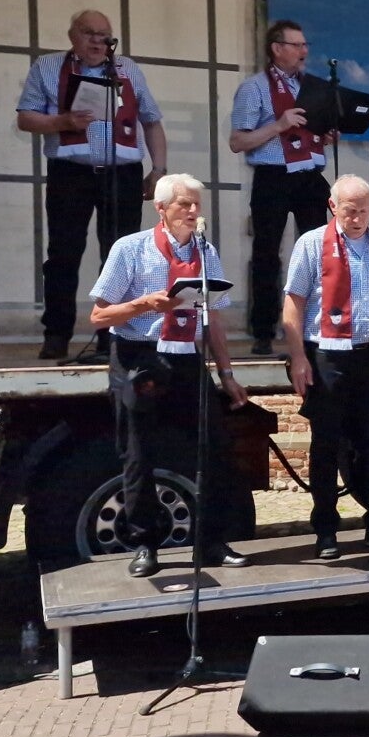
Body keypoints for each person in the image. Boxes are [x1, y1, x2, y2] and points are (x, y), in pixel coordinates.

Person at [88, 174, 247, 578]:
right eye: (184, 204)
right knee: (138, 454)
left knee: (212, 449)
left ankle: (212, 541)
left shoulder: (206, 251)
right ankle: (145, 543)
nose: (193, 211)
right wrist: (144, 304)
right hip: (139, 356)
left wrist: (227, 373)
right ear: (160, 209)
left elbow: (214, 318)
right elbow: (99, 315)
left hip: (186, 357)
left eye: (196, 204)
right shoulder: (131, 248)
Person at [17, 9, 169, 360]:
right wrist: (62, 121)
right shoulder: (47, 66)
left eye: (104, 35)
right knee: (63, 254)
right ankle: (57, 333)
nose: (98, 42)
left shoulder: (128, 69)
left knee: (120, 256)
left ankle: (112, 335)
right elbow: (26, 117)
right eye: (89, 33)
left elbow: (151, 120)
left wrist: (158, 170)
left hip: (122, 173)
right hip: (70, 172)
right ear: (72, 36)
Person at [283, 175, 369, 559]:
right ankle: (326, 529)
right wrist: (298, 357)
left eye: (364, 211)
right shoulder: (312, 243)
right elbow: (293, 302)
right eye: (350, 211)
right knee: (327, 444)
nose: (357, 219)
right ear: (333, 206)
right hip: (328, 354)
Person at [232, 19, 332, 356]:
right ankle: (263, 330)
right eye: (297, 45)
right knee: (267, 253)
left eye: (305, 45)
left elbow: (312, 129)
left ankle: (317, 326)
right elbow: (237, 141)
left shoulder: (312, 87)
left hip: (309, 175)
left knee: (319, 252)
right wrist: (278, 125)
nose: (304, 51)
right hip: (273, 176)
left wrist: (326, 134)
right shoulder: (254, 88)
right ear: (277, 49)